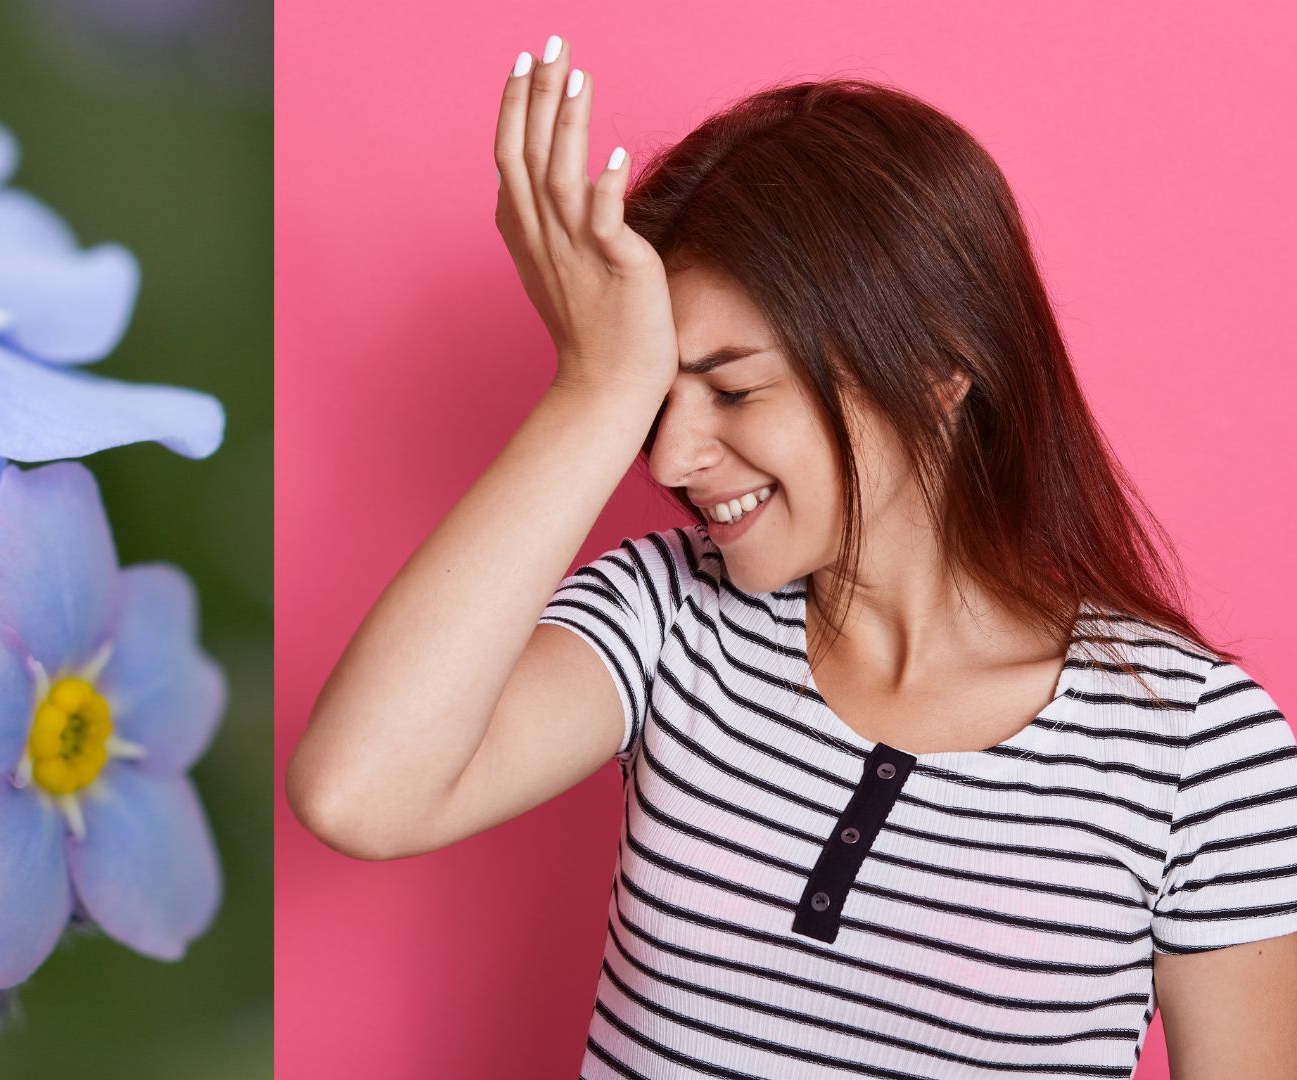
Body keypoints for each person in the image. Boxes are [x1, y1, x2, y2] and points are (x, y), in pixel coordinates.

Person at [284, 34, 1297, 1078]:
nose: (672, 454)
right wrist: (593, 390)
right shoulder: (664, 616)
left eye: (733, 389)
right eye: (654, 397)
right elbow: (359, 793)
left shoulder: (1198, 753)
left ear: (940, 372)